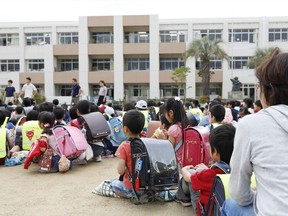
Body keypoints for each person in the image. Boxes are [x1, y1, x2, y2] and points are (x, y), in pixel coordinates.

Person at [221, 48, 288, 216]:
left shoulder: (251, 124)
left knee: (230, 204)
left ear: (269, 90)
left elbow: (238, 192)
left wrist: (258, 196)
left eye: (259, 86)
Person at [175, 124, 235, 215]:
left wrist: (184, 170)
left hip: (207, 212)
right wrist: (207, 169)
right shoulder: (239, 170)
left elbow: (189, 178)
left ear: (215, 152)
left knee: (192, 174)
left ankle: (182, 198)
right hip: (227, 210)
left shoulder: (209, 174)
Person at [111, 110, 145, 198]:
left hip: (131, 187)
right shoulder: (146, 142)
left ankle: (128, 194)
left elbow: (120, 171)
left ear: (125, 129)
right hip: (145, 186)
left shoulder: (124, 146)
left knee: (113, 184)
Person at [158, 97, 188, 168]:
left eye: (165, 113)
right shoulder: (185, 125)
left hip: (177, 165)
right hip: (186, 162)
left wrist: (162, 139)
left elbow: (169, 151)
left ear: (171, 113)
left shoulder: (173, 129)